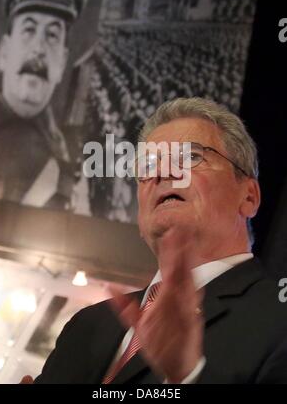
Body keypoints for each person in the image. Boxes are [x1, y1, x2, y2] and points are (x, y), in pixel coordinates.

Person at [27, 97, 287, 383]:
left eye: (190, 157)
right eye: (148, 166)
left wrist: (188, 376)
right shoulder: (87, 324)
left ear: (249, 197)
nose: (162, 173)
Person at [0, 0, 89, 209]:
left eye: (52, 35)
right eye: (29, 30)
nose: (39, 49)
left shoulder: (72, 167)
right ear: (4, 53)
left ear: (62, 63)